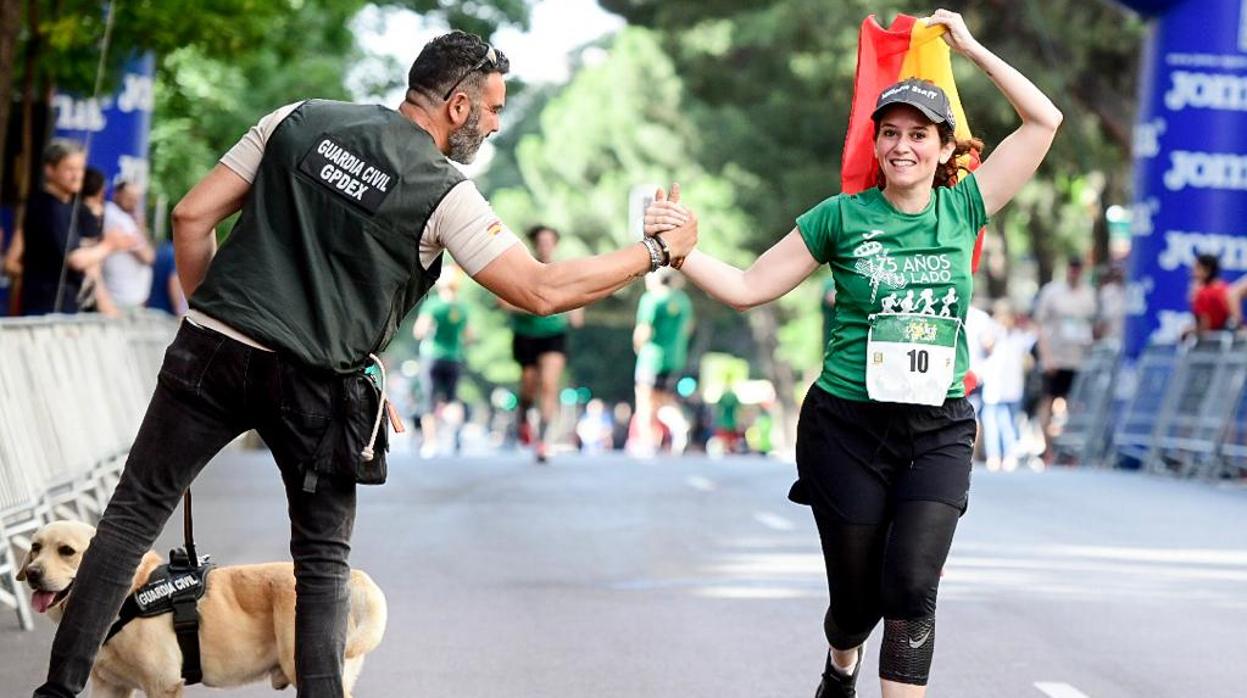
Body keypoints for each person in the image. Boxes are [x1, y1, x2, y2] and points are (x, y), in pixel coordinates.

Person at [31, 30, 697, 698]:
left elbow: (189, 217)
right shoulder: (445, 194)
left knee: (129, 519)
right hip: (315, 387)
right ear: (458, 108)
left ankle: (57, 692)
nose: (495, 123)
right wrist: (655, 251)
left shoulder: (295, 120)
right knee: (320, 563)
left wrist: (216, 318)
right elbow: (540, 290)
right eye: (492, 109)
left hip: (212, 347)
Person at [645, 11, 1061, 696]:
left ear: (940, 146)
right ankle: (840, 666)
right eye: (890, 133)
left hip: (937, 427)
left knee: (910, 588)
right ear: (877, 143)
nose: (902, 146)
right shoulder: (839, 217)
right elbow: (750, 287)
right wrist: (676, 252)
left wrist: (971, 47)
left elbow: (1042, 122)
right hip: (845, 427)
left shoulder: (963, 208)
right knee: (856, 602)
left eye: (918, 135)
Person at [9, 140, 123, 315]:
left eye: (80, 169)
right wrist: (109, 244)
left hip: (65, 307)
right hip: (46, 309)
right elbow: (76, 260)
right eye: (70, 169)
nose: (77, 176)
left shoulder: (68, 207)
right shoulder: (48, 208)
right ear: (50, 170)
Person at [505, 224, 584, 462]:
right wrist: (535, 305)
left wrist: (575, 310)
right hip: (526, 335)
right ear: (535, 244)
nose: (545, 246)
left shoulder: (563, 270)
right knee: (529, 385)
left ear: (555, 244)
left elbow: (576, 300)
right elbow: (504, 301)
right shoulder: (523, 267)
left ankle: (543, 441)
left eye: (550, 241)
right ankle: (524, 411)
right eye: (541, 241)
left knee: (550, 385)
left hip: (554, 335)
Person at [1034, 255, 1096, 451]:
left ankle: (1069, 447)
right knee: (1048, 401)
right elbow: (1040, 325)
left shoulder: (1089, 294)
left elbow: (1094, 325)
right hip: (1055, 357)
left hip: (1079, 357)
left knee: (1075, 403)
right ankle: (1047, 448)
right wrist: (1046, 357)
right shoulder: (1051, 292)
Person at [630, 270, 693, 455]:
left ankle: (647, 442)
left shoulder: (651, 299)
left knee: (645, 401)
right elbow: (688, 328)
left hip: (651, 358)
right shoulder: (683, 300)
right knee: (664, 400)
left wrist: (638, 347)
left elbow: (644, 329)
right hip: (675, 358)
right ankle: (680, 425)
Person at [414, 272, 471, 457]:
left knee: (429, 400)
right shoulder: (462, 308)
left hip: (432, 356)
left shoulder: (433, 305)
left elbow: (419, 331)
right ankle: (455, 434)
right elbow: (470, 336)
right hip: (454, 357)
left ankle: (431, 443)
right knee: (453, 400)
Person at [980, 300, 1037, 472]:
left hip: (1013, 387)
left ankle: (1009, 454)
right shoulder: (993, 333)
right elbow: (986, 345)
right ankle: (994, 455)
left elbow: (1031, 346)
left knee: (1010, 423)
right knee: (992, 423)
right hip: (993, 387)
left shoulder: (1019, 337)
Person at [101, 180, 155, 310]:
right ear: (117, 194)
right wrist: (141, 229)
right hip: (123, 297)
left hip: (124, 295)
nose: (134, 202)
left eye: (136, 198)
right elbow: (148, 256)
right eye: (129, 196)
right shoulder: (119, 218)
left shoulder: (121, 217)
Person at [1189, 253, 1230, 335]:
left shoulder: (1203, 295)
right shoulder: (1226, 288)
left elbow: (1204, 327)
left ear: (1207, 270)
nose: (1192, 273)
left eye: (1197, 268)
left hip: (1211, 343)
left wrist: (1190, 331)